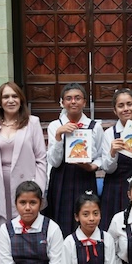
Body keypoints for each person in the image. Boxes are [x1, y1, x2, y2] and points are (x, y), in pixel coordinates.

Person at [0, 82, 47, 228]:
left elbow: (41, 159)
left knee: (25, 225)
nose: (11, 100)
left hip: (25, 183)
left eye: (15, 96)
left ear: (21, 100)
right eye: (6, 97)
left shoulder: (32, 123)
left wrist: (38, 190)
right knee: (1, 228)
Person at [45, 83, 104, 237]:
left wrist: (92, 167)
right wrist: (59, 135)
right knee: (60, 218)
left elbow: (100, 156)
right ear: (62, 102)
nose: (73, 102)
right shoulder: (55, 126)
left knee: (85, 214)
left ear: (84, 102)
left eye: (77, 98)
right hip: (61, 178)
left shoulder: (94, 126)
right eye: (68, 98)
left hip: (85, 175)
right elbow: (54, 161)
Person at [99, 88, 132, 230]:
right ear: (115, 110)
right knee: (112, 226)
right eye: (121, 105)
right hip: (114, 186)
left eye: (129, 104)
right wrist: (112, 153)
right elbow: (107, 168)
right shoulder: (109, 133)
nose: (126, 109)